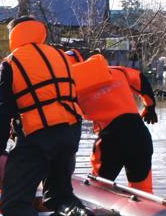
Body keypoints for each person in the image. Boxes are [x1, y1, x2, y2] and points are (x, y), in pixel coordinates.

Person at [0, 17, 89, 216]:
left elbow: (2, 115)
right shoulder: (61, 57)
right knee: (59, 196)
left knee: (13, 204)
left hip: (38, 137)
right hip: (71, 133)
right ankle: (81, 214)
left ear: (13, 35)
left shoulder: (11, 63)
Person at [66, 50, 158, 194]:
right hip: (140, 134)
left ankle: (95, 210)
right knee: (143, 193)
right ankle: (150, 211)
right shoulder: (115, 71)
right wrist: (150, 106)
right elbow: (140, 79)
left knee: (99, 190)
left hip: (110, 140)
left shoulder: (67, 88)